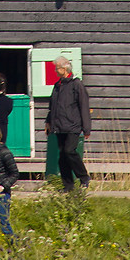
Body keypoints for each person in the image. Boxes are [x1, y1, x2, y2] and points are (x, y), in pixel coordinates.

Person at [47, 59, 91, 192]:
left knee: (69, 151)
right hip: (59, 126)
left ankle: (84, 177)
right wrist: (48, 122)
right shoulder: (57, 86)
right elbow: (52, 106)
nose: (55, 71)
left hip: (73, 125)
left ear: (65, 69)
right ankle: (68, 186)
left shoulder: (76, 85)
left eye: (57, 68)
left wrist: (86, 128)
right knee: (62, 157)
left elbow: (84, 106)